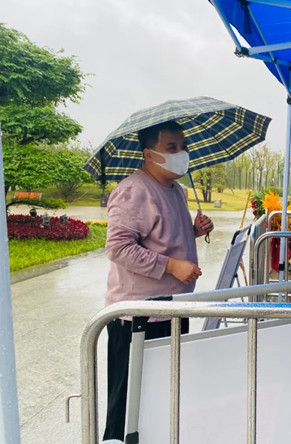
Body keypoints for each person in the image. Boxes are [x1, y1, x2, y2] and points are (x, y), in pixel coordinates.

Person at [102, 120, 214, 443]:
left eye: (184, 146)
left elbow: (161, 238)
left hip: (171, 312)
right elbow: (118, 248)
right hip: (137, 319)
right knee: (128, 407)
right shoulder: (134, 191)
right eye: (172, 147)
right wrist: (171, 266)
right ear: (149, 154)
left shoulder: (176, 191)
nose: (182, 154)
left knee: (161, 400)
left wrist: (194, 231)